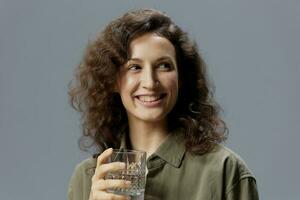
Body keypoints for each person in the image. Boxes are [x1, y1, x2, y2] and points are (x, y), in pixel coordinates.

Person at [68, 9, 259, 200]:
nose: (150, 82)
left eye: (163, 66)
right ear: (112, 80)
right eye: (135, 67)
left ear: (181, 77)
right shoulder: (87, 179)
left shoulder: (225, 171)